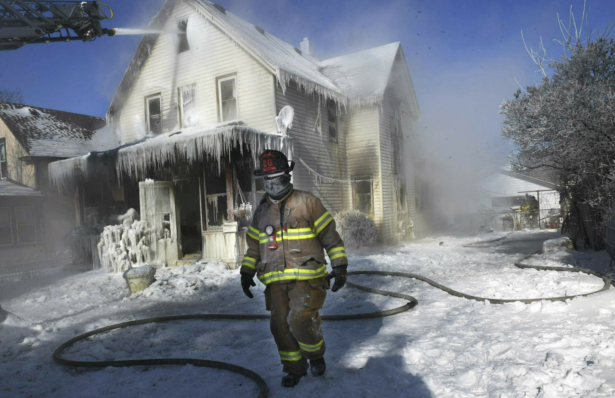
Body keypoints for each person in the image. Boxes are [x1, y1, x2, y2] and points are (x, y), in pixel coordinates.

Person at [239, 150, 348, 388]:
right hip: (275, 280)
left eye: (277, 178)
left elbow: (331, 238)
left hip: (307, 278)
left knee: (299, 320)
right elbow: (254, 248)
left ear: (287, 176)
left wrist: (339, 266)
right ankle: (294, 368)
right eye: (267, 180)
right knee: (279, 325)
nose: (272, 184)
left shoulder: (308, 203)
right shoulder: (261, 213)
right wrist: (247, 271)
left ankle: (316, 356)